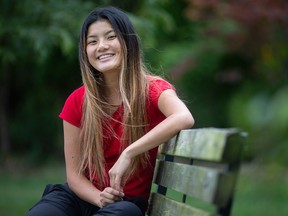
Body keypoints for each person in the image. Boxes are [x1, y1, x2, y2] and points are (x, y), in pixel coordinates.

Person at [27, 6, 194, 216]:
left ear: (128, 43)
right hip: (79, 198)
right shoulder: (77, 101)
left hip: (125, 204)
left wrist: (129, 152)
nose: (102, 46)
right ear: (85, 51)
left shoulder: (152, 90)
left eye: (110, 37)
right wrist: (99, 198)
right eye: (92, 41)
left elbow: (184, 117)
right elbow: (75, 176)